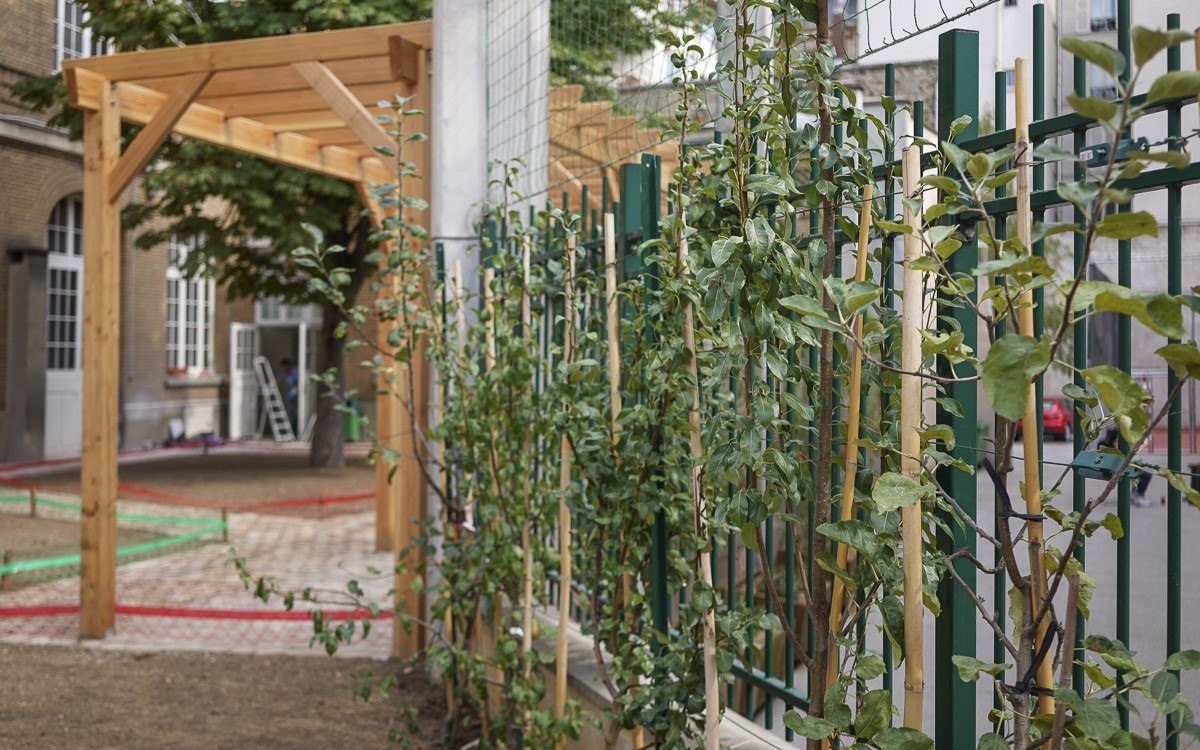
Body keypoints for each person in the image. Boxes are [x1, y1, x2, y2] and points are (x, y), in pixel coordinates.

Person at [1099, 425, 1152, 507]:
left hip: (1115, 468)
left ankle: (1136, 494)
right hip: (1117, 469)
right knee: (1146, 474)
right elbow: (1120, 460)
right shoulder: (1112, 446)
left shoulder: (1107, 443)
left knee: (1142, 469)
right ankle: (1138, 495)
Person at [278, 357, 299, 433]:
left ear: (289, 365)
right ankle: (292, 430)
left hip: (298, 394)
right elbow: (278, 381)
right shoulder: (284, 373)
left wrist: (295, 390)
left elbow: (300, 382)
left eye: (285, 367)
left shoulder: (296, 372)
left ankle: (296, 430)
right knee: (292, 413)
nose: (284, 369)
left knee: (297, 412)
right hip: (292, 396)